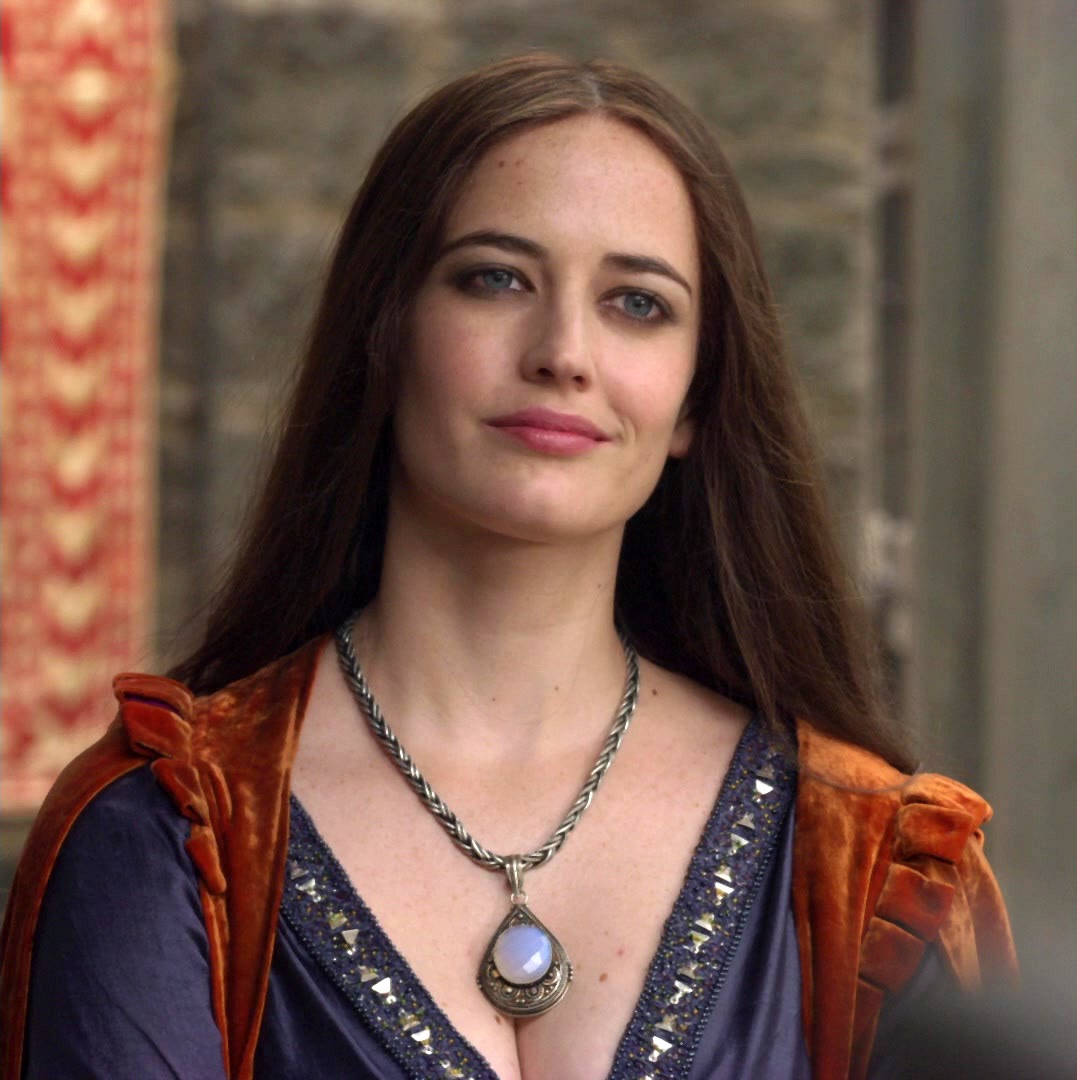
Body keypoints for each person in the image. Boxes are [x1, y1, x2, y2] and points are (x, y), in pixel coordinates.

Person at [0, 54, 1015, 1079]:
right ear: (384, 333)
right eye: (496, 279)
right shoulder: (169, 833)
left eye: (638, 303)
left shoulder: (872, 868)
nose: (563, 351)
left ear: (695, 399)